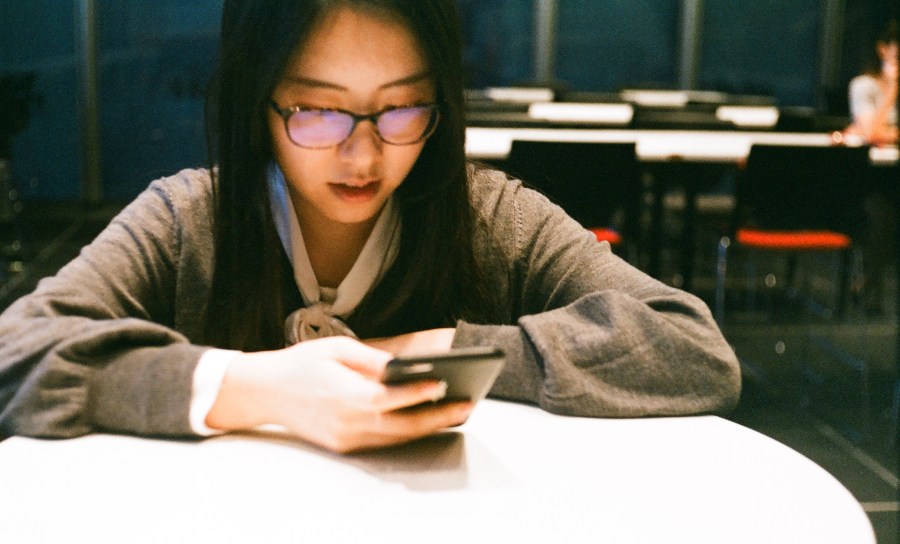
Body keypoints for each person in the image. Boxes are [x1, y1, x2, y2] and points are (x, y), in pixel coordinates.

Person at [0, 0, 740, 454]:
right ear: (258, 103)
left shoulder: (487, 218)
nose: (363, 156)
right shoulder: (190, 221)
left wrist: (438, 347)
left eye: (402, 108)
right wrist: (260, 387)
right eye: (318, 111)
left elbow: (691, 347)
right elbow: (20, 353)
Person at [845, 19, 898, 315]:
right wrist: (892, 90)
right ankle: (870, 291)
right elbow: (873, 133)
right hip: (872, 177)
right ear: (883, 49)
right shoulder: (864, 86)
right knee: (881, 211)